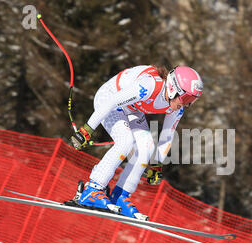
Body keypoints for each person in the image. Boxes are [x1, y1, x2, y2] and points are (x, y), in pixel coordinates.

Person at [70, 65, 203, 220]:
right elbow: (113, 101)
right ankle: (92, 190)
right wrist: (87, 129)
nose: (186, 105)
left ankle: (120, 196)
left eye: (192, 101)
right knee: (125, 140)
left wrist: (157, 163)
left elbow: (168, 133)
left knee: (146, 147)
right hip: (110, 98)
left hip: (131, 108)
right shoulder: (150, 85)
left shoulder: (177, 107)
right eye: (186, 99)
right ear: (173, 87)